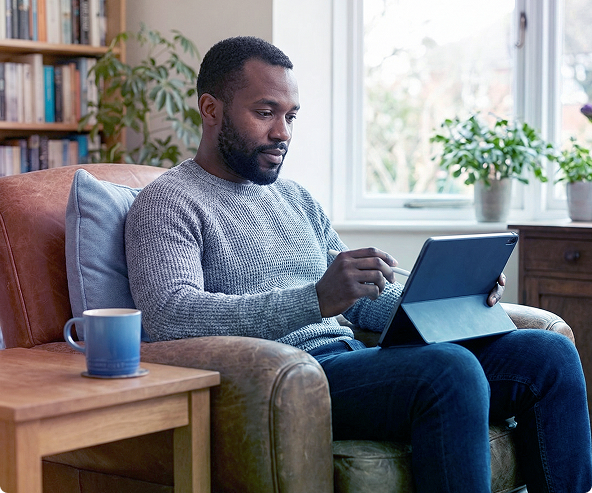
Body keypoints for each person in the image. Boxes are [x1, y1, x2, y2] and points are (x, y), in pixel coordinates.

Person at [125, 36, 592, 492]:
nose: (283, 133)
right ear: (210, 109)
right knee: (449, 369)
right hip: (288, 378)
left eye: (290, 116)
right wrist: (314, 300)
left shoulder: (294, 198)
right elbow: (171, 315)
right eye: (265, 113)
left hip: (354, 362)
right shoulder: (168, 202)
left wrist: (454, 299)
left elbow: (364, 298)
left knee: (548, 356)